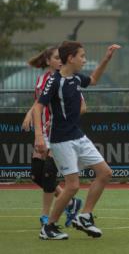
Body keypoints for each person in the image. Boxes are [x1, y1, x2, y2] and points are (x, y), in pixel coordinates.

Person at [34, 41, 121, 240]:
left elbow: (93, 80)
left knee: (105, 173)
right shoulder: (54, 81)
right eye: (82, 56)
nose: (84, 59)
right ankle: (48, 227)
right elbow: (39, 107)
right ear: (71, 58)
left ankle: (85, 216)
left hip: (78, 136)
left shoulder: (75, 79)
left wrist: (106, 59)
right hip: (61, 139)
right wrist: (40, 136)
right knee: (72, 186)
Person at [22, 47, 83, 227]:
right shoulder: (43, 79)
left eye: (61, 58)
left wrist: (59, 120)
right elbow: (39, 102)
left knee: (49, 173)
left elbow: (82, 106)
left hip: (57, 133)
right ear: (48, 61)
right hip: (43, 133)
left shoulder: (66, 79)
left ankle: (46, 216)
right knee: (36, 175)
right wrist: (29, 114)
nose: (60, 61)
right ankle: (70, 203)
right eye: (56, 58)